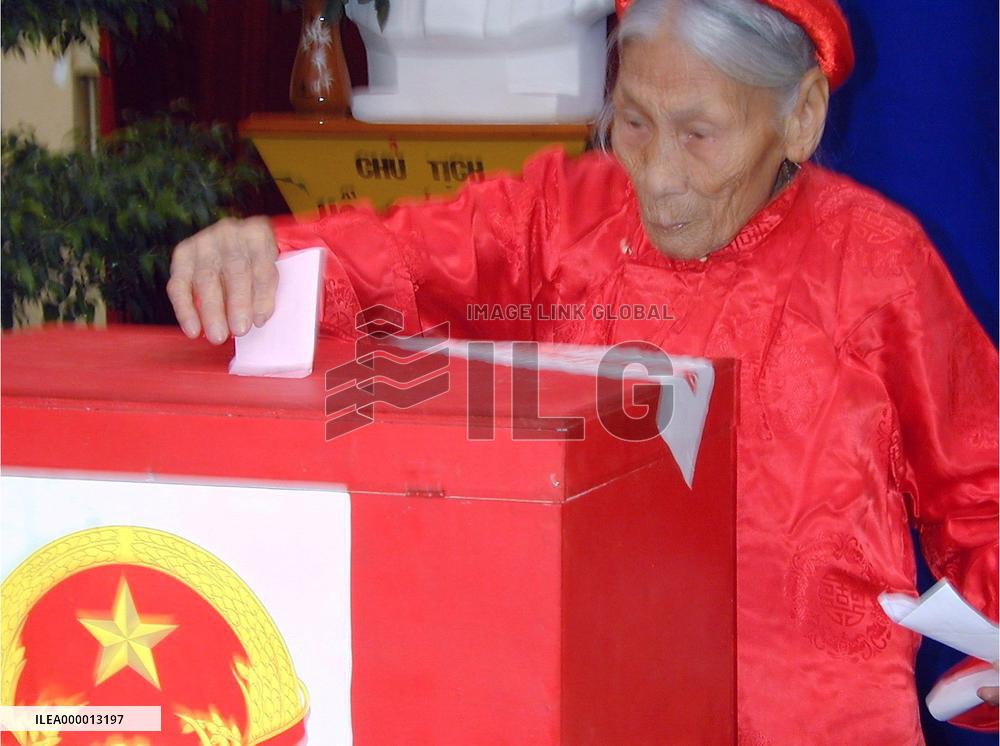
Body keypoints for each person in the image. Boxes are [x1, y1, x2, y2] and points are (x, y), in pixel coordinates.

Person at [167, 0, 999, 741]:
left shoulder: (877, 262)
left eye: (700, 134)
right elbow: (399, 261)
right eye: (632, 123)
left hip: (811, 718)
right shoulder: (563, 216)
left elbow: (983, 480)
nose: (660, 176)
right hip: (591, 699)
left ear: (802, 117)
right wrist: (265, 256)